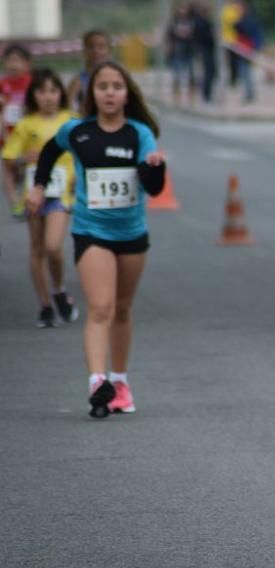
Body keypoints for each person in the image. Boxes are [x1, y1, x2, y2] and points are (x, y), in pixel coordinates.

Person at [27, 61, 166, 419]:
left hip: (132, 233)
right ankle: (96, 380)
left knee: (121, 308)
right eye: (102, 86)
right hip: (91, 232)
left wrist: (155, 168)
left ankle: (120, 382)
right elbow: (48, 152)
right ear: (93, 93)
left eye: (116, 86)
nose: (109, 92)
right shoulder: (77, 131)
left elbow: (154, 188)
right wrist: (40, 186)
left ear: (126, 93)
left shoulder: (139, 134)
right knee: (101, 307)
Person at [2, 69, 78, 328]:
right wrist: (25, 159)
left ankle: (58, 288)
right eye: (42, 91)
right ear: (33, 95)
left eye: (53, 91)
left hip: (61, 193)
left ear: (61, 94)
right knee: (37, 249)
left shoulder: (71, 121)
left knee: (53, 246)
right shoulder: (26, 124)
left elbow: (86, 153)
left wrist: (78, 176)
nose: (48, 97)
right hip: (34, 193)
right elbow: (9, 159)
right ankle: (45, 306)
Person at [0, 44, 33, 217]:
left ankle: (29, 198)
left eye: (17, 60)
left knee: (28, 166)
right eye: (9, 61)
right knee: (8, 169)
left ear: (27, 63)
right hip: (9, 133)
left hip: (28, 134)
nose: (13, 65)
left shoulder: (32, 82)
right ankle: (16, 205)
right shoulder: (2, 84)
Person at [66, 30, 113, 112]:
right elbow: (66, 109)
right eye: (91, 46)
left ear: (109, 51)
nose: (96, 51)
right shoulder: (78, 82)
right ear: (84, 51)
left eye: (101, 46)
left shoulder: (117, 78)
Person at [165, 3, 198, 106]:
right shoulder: (173, 22)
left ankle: (191, 96)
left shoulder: (192, 21)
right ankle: (176, 96)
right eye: (181, 8)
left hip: (189, 51)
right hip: (177, 51)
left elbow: (196, 35)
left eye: (185, 8)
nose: (183, 11)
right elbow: (169, 36)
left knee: (191, 74)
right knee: (177, 74)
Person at [233, 0, 264, 103]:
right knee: (245, 72)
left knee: (245, 72)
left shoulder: (247, 19)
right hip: (243, 48)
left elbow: (248, 31)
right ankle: (249, 93)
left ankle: (249, 94)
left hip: (246, 48)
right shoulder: (245, 18)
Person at [192, 2, 218, 104]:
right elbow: (202, 37)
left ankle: (207, 94)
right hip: (204, 50)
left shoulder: (206, 22)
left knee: (211, 73)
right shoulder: (200, 23)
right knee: (208, 73)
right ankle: (206, 95)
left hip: (208, 50)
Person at [220, 0, 243, 88]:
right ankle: (233, 79)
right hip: (230, 39)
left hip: (233, 39)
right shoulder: (229, 11)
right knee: (232, 62)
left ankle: (234, 78)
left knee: (233, 62)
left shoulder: (227, 10)